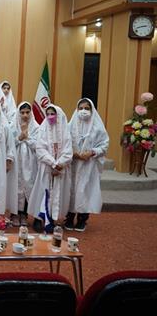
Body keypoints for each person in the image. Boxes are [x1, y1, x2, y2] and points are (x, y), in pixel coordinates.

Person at [65, 98, 109, 232]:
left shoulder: (98, 127)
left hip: (89, 165)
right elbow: (65, 142)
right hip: (74, 163)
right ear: (77, 110)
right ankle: (69, 217)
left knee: (85, 191)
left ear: (92, 110)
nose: (83, 111)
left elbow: (104, 145)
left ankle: (82, 219)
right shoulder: (70, 126)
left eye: (87, 108)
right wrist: (74, 154)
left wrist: (92, 152)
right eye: (81, 108)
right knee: (71, 191)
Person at [28, 104, 73, 233]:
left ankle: (52, 219)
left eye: (53, 114)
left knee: (57, 194)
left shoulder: (65, 131)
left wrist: (59, 164)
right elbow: (40, 149)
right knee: (42, 192)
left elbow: (68, 151)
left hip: (61, 169)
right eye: (48, 114)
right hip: (46, 168)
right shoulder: (43, 128)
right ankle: (39, 219)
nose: (50, 116)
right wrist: (53, 163)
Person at [12, 102, 39, 227]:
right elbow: (9, 143)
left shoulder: (36, 127)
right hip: (16, 160)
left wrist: (26, 138)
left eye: (27, 112)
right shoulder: (13, 126)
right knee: (16, 186)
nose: (25, 115)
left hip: (30, 162)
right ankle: (15, 214)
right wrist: (19, 138)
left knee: (28, 186)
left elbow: (38, 145)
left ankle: (24, 214)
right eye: (22, 112)